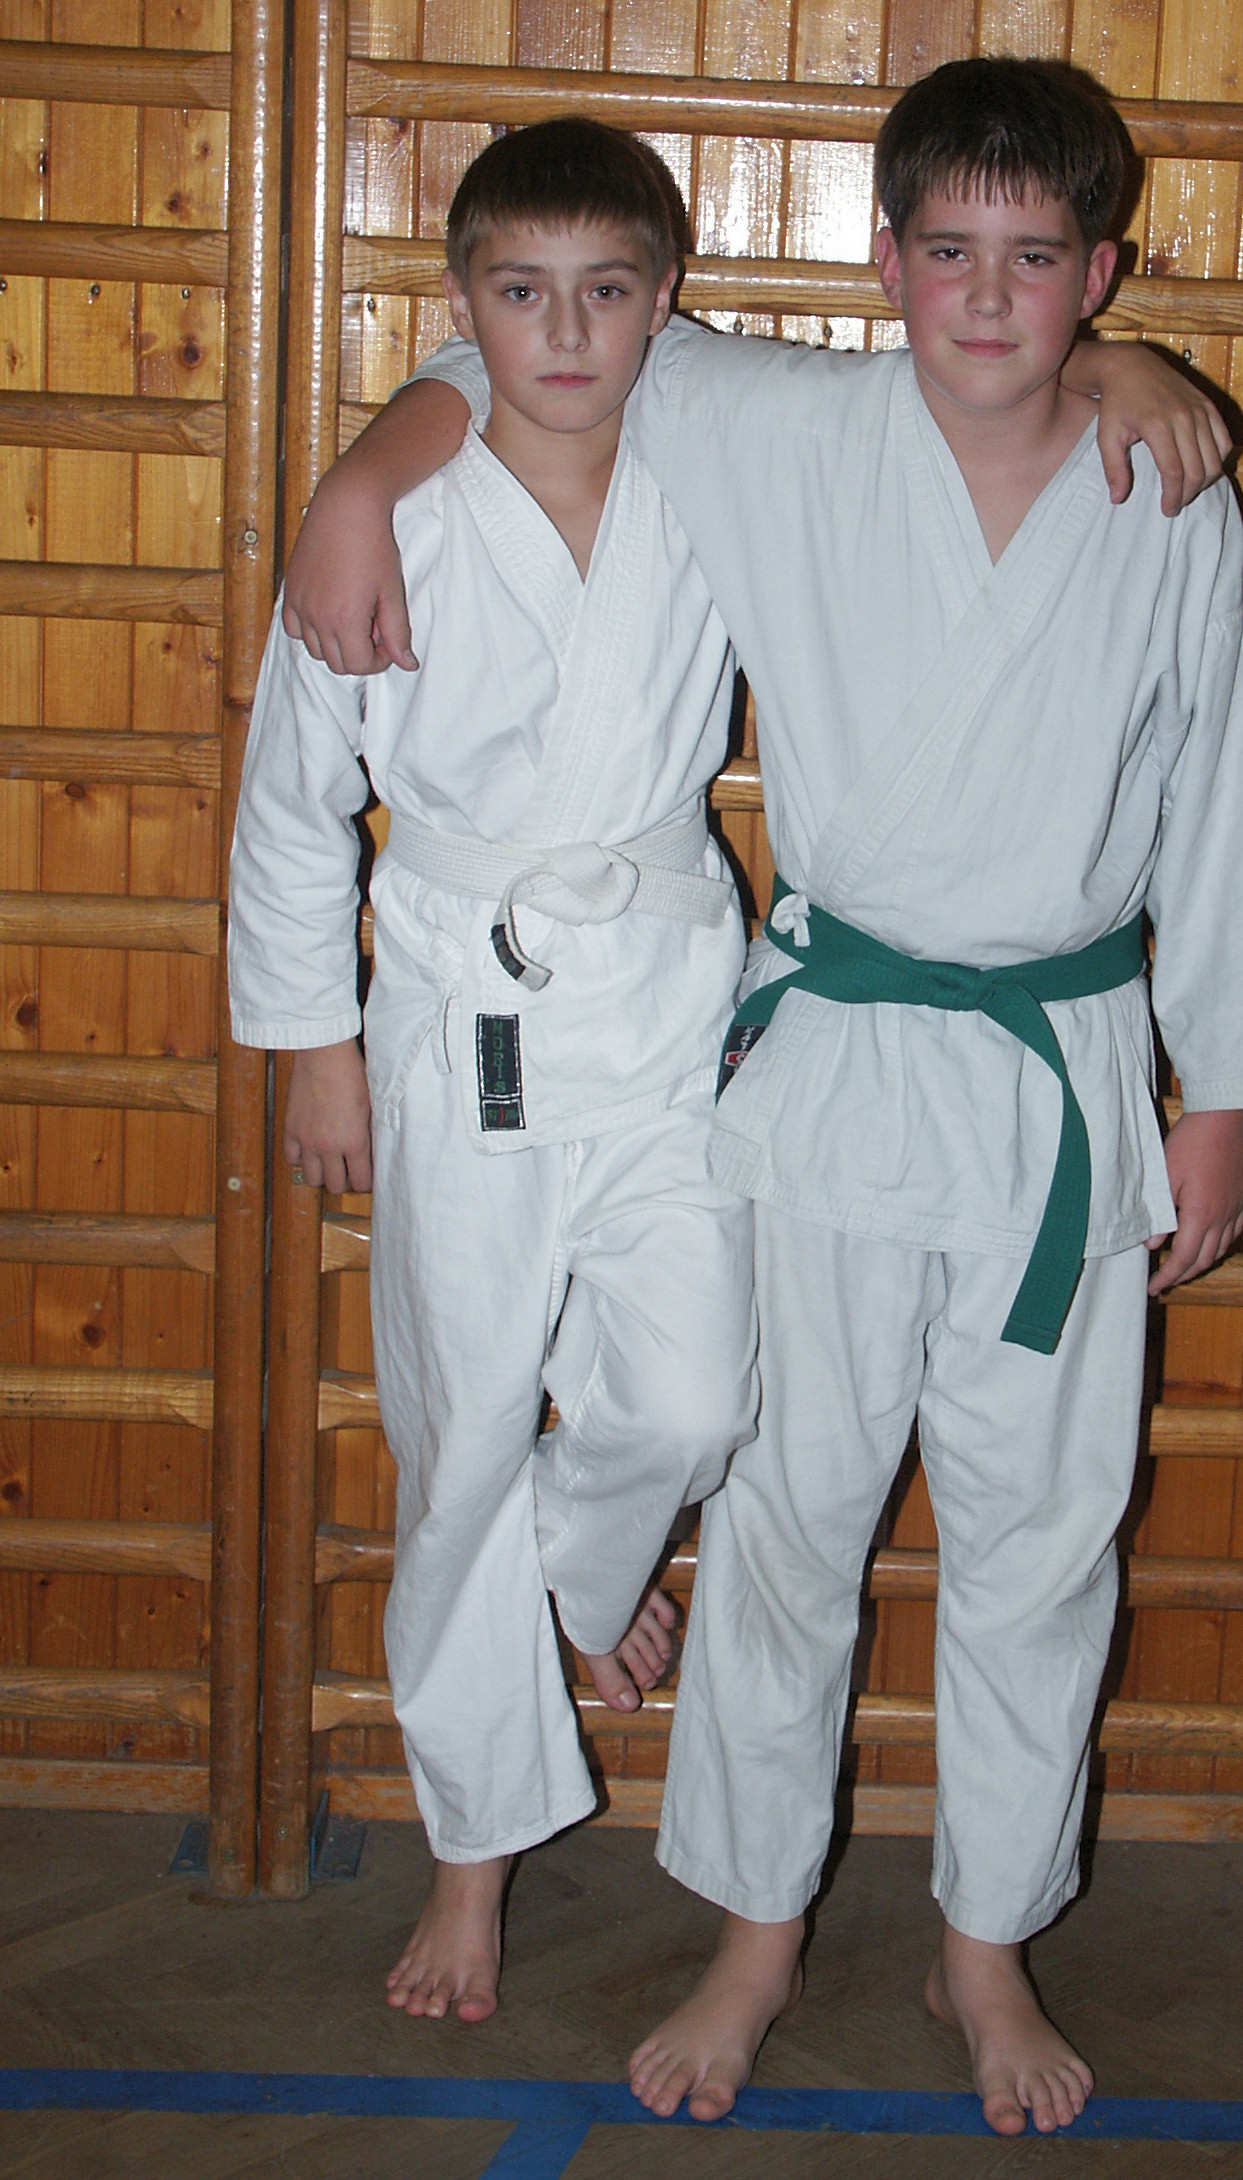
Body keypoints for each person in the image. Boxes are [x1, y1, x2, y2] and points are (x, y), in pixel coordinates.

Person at [279, 61, 1243, 2135]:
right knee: (782, 1523)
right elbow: (535, 335)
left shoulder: (1165, 494)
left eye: (1039, 262)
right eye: (951, 251)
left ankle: (980, 1944)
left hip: (1065, 1077)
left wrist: (1230, 1092)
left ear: (1099, 274)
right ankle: (754, 1935)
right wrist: (361, 475)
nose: (990, 297)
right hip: (837, 1060)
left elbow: (1223, 798)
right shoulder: (783, 420)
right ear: (883, 261)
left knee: (1042, 1539)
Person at [227, 119, 762, 2027]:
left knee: (695, 1395)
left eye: (609, 292)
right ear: (462, 304)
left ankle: (571, 1562)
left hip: (672, 997)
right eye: (521, 294)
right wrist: (313, 1046)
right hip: (458, 1007)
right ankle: (473, 1858)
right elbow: (293, 806)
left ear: (666, 303)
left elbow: (934, 405)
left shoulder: (718, 462)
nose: (569, 333)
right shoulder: (399, 519)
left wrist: (1109, 372)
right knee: (457, 1428)